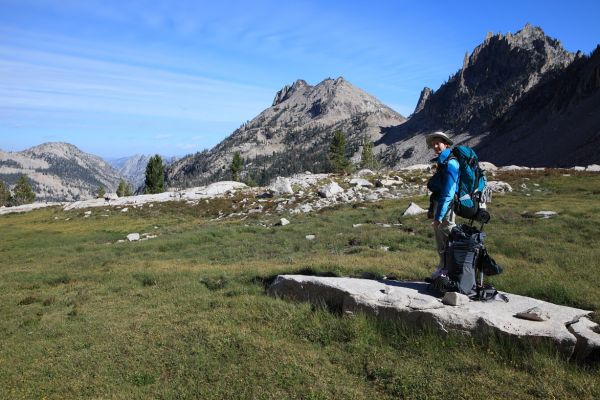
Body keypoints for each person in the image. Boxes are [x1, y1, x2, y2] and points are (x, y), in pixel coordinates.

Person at [425, 131, 459, 280]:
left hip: (446, 206)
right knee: (441, 239)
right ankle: (443, 268)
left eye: (438, 143)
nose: (436, 146)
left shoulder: (450, 162)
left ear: (446, 144)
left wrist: (439, 216)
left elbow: (449, 192)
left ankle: (449, 271)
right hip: (441, 204)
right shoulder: (443, 161)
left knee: (447, 238)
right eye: (433, 145)